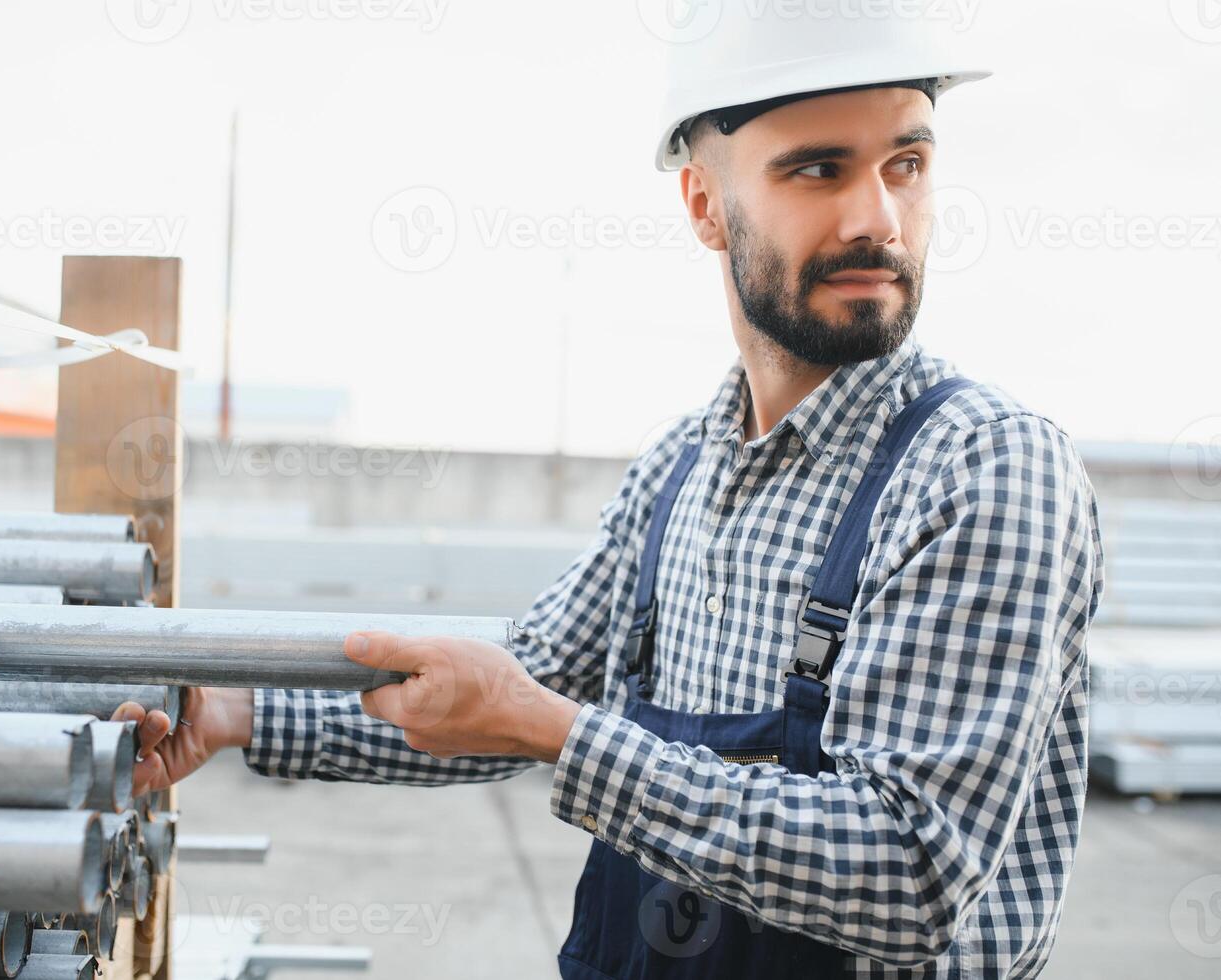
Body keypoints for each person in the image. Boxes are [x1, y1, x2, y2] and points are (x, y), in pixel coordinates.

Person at [114, 9, 1105, 978]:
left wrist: (559, 730)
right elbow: (527, 674)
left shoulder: (985, 471)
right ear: (704, 205)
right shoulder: (682, 467)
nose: (876, 218)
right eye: (817, 169)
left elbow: (910, 872)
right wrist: (239, 710)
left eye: (907, 164)